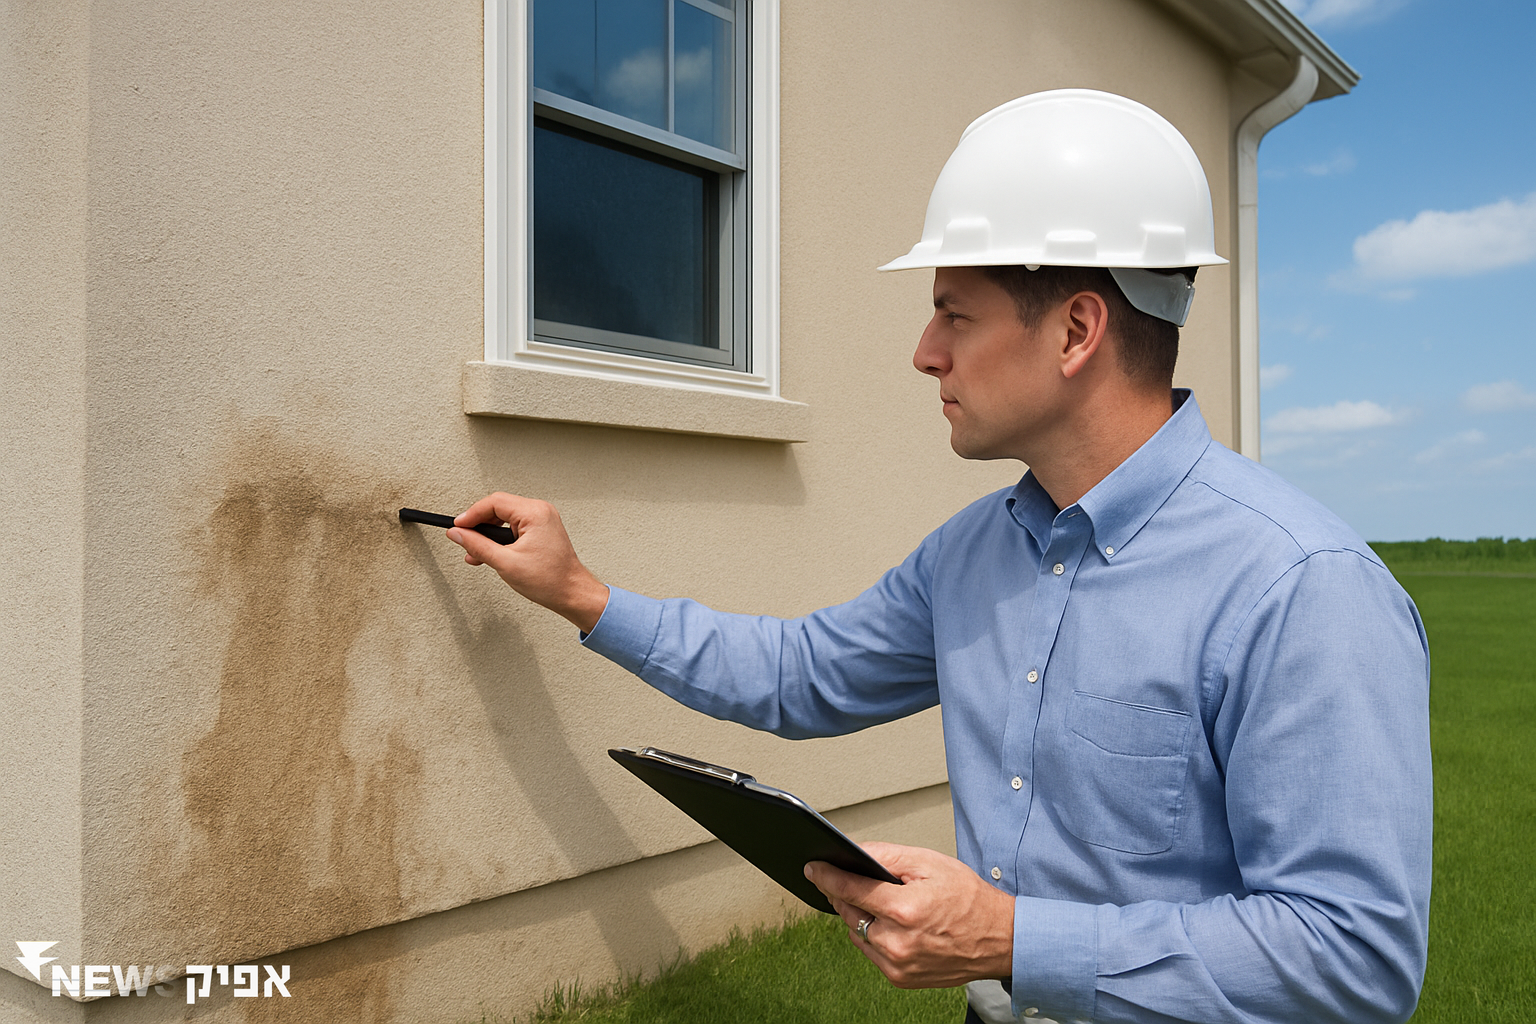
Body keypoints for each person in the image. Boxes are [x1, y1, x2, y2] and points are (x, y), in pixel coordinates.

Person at [446, 91, 1432, 1024]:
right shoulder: (971, 555)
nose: (925, 351)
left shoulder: (1301, 586)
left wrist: (1009, 936)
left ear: (1077, 329)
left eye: (954, 313)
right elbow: (798, 676)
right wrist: (581, 592)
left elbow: (1356, 952)